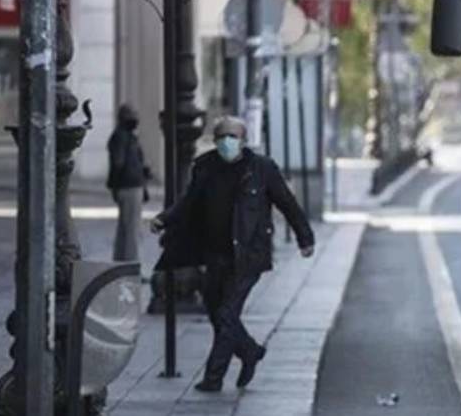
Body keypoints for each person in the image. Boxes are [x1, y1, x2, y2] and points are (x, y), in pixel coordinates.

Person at [150, 116, 315, 393]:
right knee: (217, 315)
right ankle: (249, 352)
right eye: (223, 136)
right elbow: (189, 202)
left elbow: (287, 203)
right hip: (214, 254)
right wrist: (165, 219)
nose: (228, 142)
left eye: (233, 136)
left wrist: (304, 238)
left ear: (244, 140)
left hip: (249, 255)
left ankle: (213, 379)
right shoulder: (205, 167)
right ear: (215, 141)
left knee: (227, 314)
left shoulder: (261, 169)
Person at [106, 104, 150, 262]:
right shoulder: (122, 137)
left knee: (126, 227)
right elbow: (119, 163)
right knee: (132, 229)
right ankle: (131, 264)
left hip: (130, 185)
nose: (135, 120)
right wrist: (116, 185)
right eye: (132, 116)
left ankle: (120, 261)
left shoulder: (126, 136)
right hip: (129, 186)